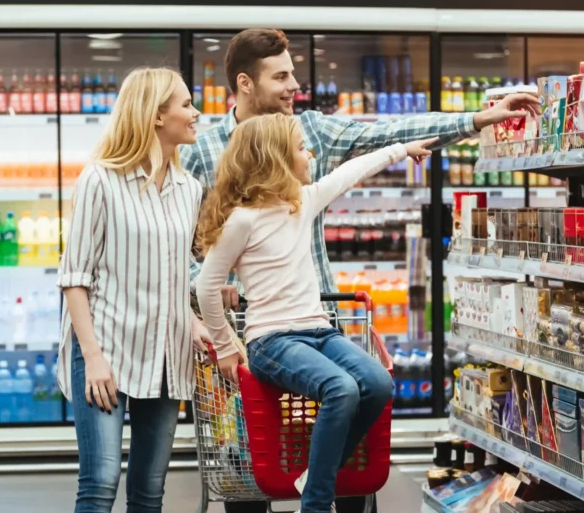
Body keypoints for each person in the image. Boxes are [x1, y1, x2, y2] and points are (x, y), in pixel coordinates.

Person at [180, 27, 539, 513]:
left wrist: (478, 119)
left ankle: (317, 485)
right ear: (245, 83)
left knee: (352, 449)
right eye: (281, 76)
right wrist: (211, 296)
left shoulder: (310, 133)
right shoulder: (201, 153)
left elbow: (386, 135)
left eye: (294, 75)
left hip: (320, 319)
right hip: (249, 336)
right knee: (251, 472)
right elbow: (183, 248)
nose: (293, 87)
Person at [195, 113, 435, 513]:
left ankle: (314, 476)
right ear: (276, 159)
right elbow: (206, 285)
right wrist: (224, 346)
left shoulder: (300, 203)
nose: (310, 155)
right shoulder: (242, 221)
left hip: (319, 331)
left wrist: (400, 150)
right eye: (302, 148)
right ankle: (316, 504)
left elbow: (351, 171)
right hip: (272, 340)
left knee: (377, 382)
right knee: (340, 388)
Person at [56, 67, 210, 513]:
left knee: (149, 489)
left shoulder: (189, 189)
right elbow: (74, 277)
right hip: (105, 348)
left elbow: (174, 272)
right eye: (185, 104)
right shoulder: (100, 181)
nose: (195, 112)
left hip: (165, 353)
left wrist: (195, 322)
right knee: (101, 482)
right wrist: (95, 358)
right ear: (156, 116)